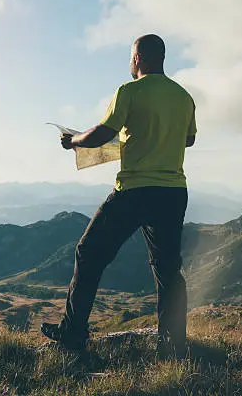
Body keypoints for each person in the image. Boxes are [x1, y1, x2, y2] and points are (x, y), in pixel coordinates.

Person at [41, 34, 197, 359]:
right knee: (167, 270)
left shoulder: (129, 92)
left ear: (138, 58)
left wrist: (74, 142)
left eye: (130, 57)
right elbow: (189, 140)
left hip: (134, 191)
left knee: (88, 252)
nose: (130, 63)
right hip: (172, 193)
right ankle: (172, 346)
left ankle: (73, 333)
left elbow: (102, 133)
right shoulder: (184, 97)